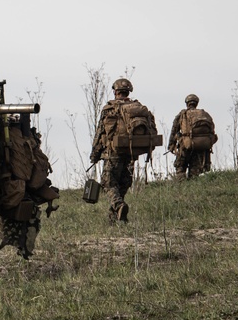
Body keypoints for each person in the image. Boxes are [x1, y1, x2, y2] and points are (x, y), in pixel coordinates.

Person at [89, 78, 156, 222]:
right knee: (122, 184)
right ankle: (117, 218)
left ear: (115, 91)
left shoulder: (110, 109)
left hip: (113, 153)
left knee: (108, 183)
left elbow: (100, 132)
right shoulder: (139, 108)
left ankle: (119, 206)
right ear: (128, 91)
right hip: (131, 153)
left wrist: (94, 154)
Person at [168, 93, 218, 180]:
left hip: (185, 147)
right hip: (200, 147)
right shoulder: (205, 114)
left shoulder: (183, 114)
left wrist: (171, 145)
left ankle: (181, 187)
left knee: (180, 167)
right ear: (196, 103)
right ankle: (192, 188)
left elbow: (174, 130)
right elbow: (212, 131)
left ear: (187, 103)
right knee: (194, 172)